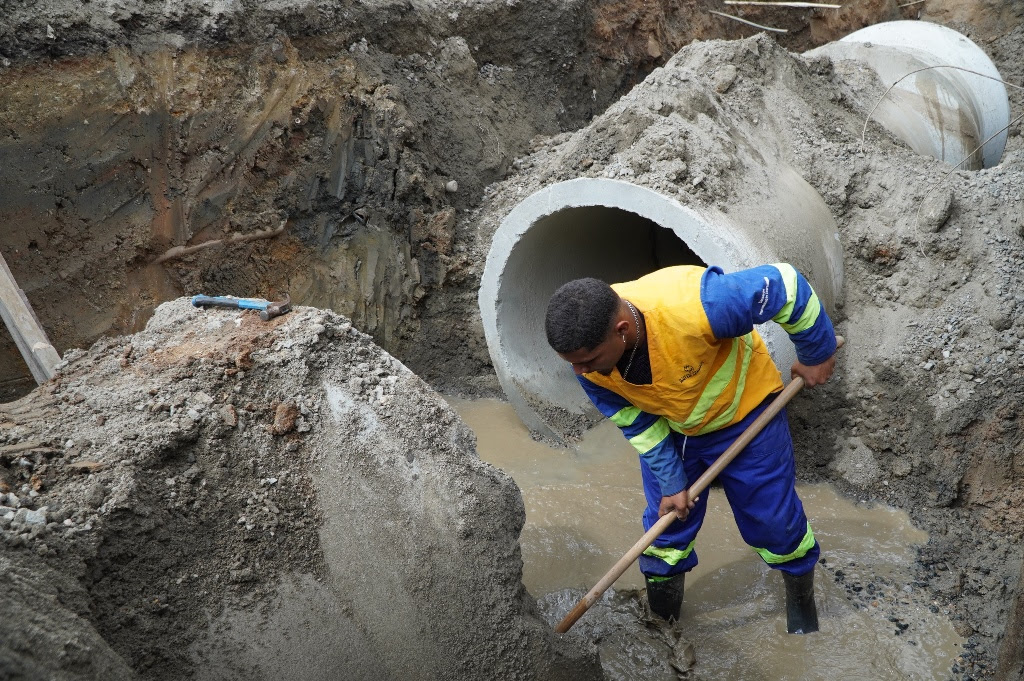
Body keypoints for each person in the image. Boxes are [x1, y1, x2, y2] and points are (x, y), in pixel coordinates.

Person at [544, 264, 837, 634]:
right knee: (664, 531)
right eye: (573, 364)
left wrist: (816, 352)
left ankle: (802, 607)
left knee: (774, 524)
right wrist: (671, 481)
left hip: (747, 416)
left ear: (622, 330)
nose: (580, 373)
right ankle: (663, 629)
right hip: (675, 427)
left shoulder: (699, 305)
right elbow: (636, 422)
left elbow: (787, 286)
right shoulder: (588, 362)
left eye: (588, 361)